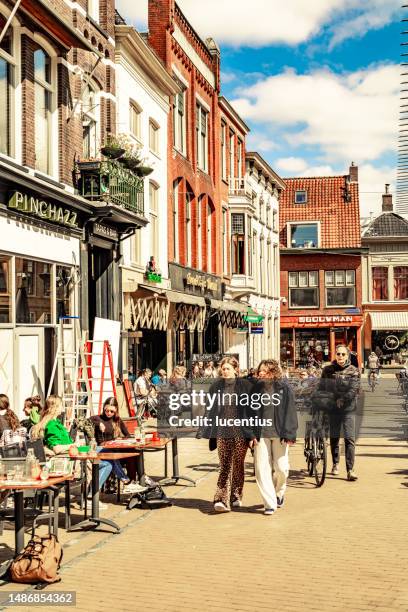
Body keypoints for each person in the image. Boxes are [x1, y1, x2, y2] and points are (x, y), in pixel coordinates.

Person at [31, 395, 113, 496]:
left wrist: (75, 445)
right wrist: (74, 445)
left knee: (105, 453)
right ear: (56, 407)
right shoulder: (52, 425)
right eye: (61, 405)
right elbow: (56, 449)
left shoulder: (55, 423)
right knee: (107, 463)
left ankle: (92, 493)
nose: (63, 407)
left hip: (71, 456)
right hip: (68, 461)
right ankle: (92, 495)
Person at [249, 360, 298, 516]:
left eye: (265, 371)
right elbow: (248, 412)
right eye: (260, 370)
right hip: (261, 434)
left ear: (273, 372)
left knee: (281, 468)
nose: (261, 373)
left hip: (279, 434)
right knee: (261, 468)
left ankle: (279, 492)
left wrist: (289, 434)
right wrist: (250, 434)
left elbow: (290, 412)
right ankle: (269, 503)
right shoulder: (255, 389)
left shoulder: (284, 389)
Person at [206, 357, 253, 513]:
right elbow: (210, 409)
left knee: (238, 464)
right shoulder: (216, 387)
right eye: (223, 368)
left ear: (235, 369)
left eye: (227, 368)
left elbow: (251, 411)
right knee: (225, 464)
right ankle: (220, 499)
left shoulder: (245, 386)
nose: (225, 371)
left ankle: (236, 495)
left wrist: (253, 434)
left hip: (241, 431)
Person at [319, 345, 360, 481]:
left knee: (349, 438)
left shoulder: (353, 371)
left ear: (347, 356)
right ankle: (335, 463)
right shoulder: (328, 369)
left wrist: (343, 399)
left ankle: (350, 470)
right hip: (333, 408)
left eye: (343, 354)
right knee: (334, 438)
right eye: (338, 354)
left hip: (348, 408)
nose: (340, 356)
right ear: (335, 355)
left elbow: (354, 389)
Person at [90, 397, 132, 485]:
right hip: (100, 449)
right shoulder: (99, 418)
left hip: (112, 448)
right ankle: (126, 480)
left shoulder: (117, 420)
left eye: (112, 411)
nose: (109, 413)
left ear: (116, 410)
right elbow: (88, 419)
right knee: (112, 455)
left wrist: (121, 439)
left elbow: (127, 435)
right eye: (107, 410)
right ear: (104, 409)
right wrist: (99, 423)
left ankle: (134, 479)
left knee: (133, 453)